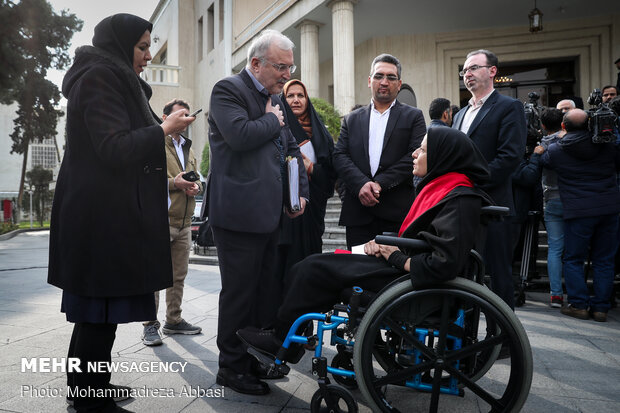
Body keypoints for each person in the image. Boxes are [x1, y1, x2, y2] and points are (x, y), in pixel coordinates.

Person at [237, 127, 492, 363]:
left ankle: (281, 342)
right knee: (311, 265)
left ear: (442, 156)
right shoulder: (444, 188)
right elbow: (426, 239)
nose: (414, 153)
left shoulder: (461, 199)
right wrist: (385, 243)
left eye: (423, 149)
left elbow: (443, 263)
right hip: (405, 270)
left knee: (311, 269)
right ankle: (285, 339)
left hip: (413, 282)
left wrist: (394, 255)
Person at [47, 14, 195, 413]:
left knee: (101, 313)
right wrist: (164, 129)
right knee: (96, 314)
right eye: (143, 47)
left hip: (107, 216)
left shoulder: (112, 77)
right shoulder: (100, 77)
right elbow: (113, 147)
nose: (148, 56)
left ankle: (92, 386)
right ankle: (87, 398)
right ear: (120, 44)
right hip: (99, 220)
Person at [207, 29, 309, 396]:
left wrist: (299, 196)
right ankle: (230, 368)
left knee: (264, 294)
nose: (287, 74)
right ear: (256, 63)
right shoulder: (227, 90)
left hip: (271, 216)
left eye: (289, 67)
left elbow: (293, 149)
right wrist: (273, 121)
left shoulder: (273, 98)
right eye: (281, 67)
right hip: (237, 216)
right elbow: (238, 136)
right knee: (239, 294)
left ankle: (252, 360)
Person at [452, 49, 526, 309]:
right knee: (460, 274)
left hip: (494, 207)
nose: (467, 75)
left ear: (492, 71)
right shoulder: (460, 115)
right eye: (464, 71)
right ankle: (459, 341)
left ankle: (504, 342)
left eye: (473, 68)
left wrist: (469, 184)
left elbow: (509, 157)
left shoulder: (509, 107)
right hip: (461, 207)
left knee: (498, 276)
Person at [333, 53, 426, 249]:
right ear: (369, 81)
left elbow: (414, 154)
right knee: (357, 273)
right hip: (358, 214)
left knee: (393, 274)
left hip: (396, 213)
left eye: (391, 77)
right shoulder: (352, 119)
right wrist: (361, 185)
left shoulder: (414, 116)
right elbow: (339, 155)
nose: (384, 82)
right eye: (378, 76)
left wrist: (378, 184)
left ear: (399, 84)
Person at [538, 109, 620, 322]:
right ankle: (601, 307)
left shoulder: (557, 150)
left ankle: (579, 304)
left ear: (564, 127)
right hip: (609, 208)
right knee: (604, 260)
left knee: (573, 258)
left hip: (578, 211)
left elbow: (544, 161)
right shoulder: (607, 145)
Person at [141, 99, 203, 346]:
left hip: (185, 221)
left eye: (188, 115)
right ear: (165, 117)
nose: (185, 119)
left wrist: (194, 186)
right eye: (180, 115)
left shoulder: (188, 147)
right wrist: (173, 183)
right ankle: (149, 325)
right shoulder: (154, 144)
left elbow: (193, 178)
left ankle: (173, 320)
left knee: (179, 276)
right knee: (154, 275)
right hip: (160, 220)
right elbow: (144, 181)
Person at [276, 79, 336, 279]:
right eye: (290, 96)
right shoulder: (275, 128)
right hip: (283, 214)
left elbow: (331, 174)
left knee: (309, 267)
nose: (295, 100)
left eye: (300, 95)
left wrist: (311, 169)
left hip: (312, 211)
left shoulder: (321, 133)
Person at [535, 108, 566, 308]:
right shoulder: (570, 141)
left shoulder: (542, 147)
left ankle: (556, 294)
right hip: (572, 198)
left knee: (555, 248)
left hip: (551, 198)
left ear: (543, 126)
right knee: (572, 250)